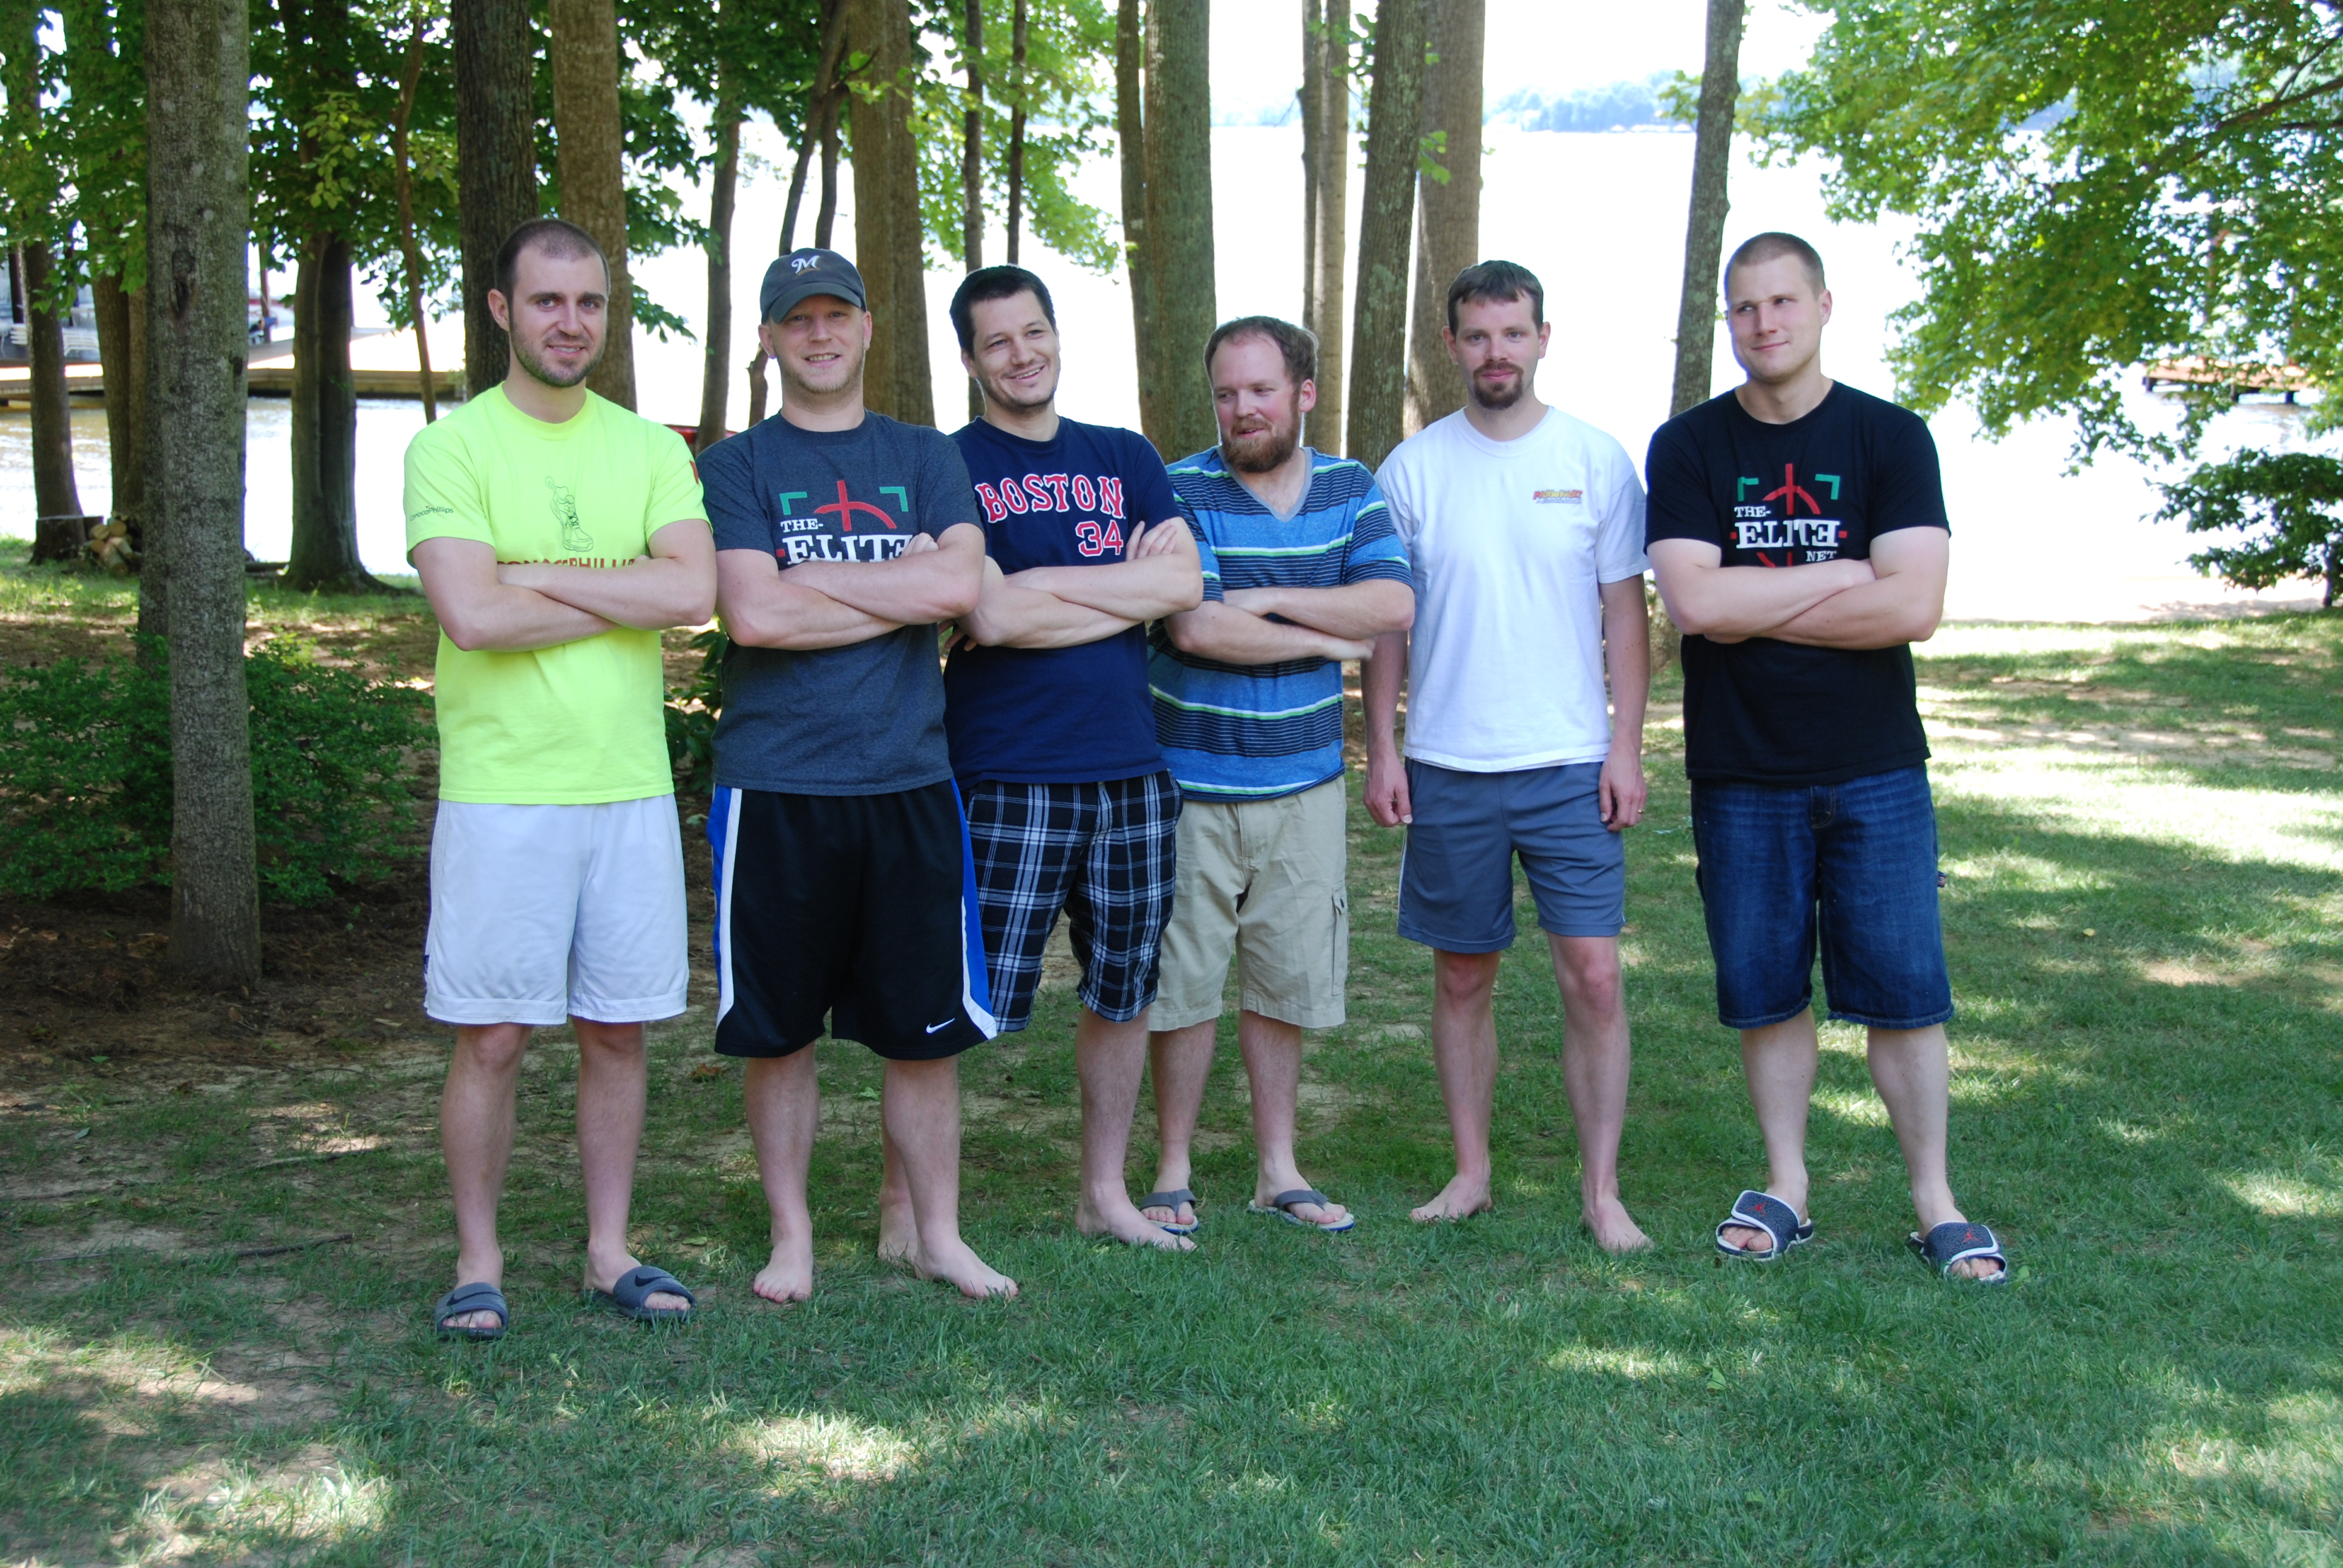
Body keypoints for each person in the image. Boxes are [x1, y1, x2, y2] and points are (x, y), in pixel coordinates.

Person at [1643, 232, 2007, 1282]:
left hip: (1875, 765)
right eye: (1745, 307)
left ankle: (1936, 1202)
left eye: (1783, 302)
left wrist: (1755, 603)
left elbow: (1915, 607)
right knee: (1766, 991)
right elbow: (1694, 605)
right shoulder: (1690, 446)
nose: (1765, 323)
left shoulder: (1890, 437)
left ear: (1824, 306)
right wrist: (1844, 574)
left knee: (1906, 991)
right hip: (1740, 768)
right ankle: (1788, 1186)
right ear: (1730, 320)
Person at [406, 218, 717, 1338]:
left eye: (588, 303)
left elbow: (693, 595)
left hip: (627, 787)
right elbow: (473, 617)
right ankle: (477, 1261)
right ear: (503, 310)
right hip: (503, 792)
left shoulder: (651, 448)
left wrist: (532, 572)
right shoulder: (452, 449)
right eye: (547, 302)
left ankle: (607, 1251)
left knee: (617, 1031)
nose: (570, 323)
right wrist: (619, 586)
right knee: (493, 1036)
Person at [700, 248, 1015, 1302]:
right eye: (798, 320)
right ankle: (791, 1240)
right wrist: (898, 580)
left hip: (908, 780)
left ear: (870, 327)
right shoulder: (736, 466)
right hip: (775, 785)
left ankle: (938, 1235)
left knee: (924, 1037)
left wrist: (815, 577)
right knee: (779, 1034)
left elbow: (959, 588)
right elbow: (754, 615)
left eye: (837, 314)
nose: (820, 334)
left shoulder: (925, 454)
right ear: (769, 339)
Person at [1362, 260, 1653, 1250]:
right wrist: (1384, 747)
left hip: (1571, 762)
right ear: (1451, 345)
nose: (1497, 353)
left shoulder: (1597, 459)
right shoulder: (1413, 471)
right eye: (1478, 336)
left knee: (1595, 975)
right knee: (1461, 977)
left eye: (1514, 333)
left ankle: (1601, 1191)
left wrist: (1625, 747)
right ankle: (1472, 1172)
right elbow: (1389, 624)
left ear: (1542, 339)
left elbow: (1625, 614)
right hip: (1449, 763)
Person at [944, 264, 1207, 1251]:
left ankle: (1105, 1194)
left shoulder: (1124, 453)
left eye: (1035, 332)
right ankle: (912, 1208)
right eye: (998, 342)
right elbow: (988, 615)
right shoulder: (950, 464)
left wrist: (1039, 592)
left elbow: (1180, 586)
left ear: (1056, 333)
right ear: (970, 360)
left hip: (1131, 769)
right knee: (958, 1001)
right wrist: (1114, 587)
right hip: (1008, 769)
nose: (1023, 355)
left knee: (1123, 990)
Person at [1139, 316, 1415, 1235]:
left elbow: (1392, 602)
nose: (1242, 409)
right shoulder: (1179, 488)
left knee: (1285, 981)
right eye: (1226, 393)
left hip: (1305, 788)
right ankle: (1172, 1169)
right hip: (1189, 785)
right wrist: (1331, 638)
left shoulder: (1350, 487)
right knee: (1182, 985)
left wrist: (1267, 599)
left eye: (1260, 390)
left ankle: (1277, 1169)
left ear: (1303, 393)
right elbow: (1196, 628)